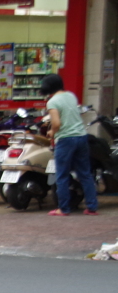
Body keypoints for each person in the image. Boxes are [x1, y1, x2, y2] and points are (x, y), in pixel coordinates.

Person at [41, 74, 98, 216]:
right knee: (85, 174)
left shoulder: (52, 102)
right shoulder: (71, 96)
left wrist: (51, 133)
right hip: (81, 136)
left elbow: (56, 123)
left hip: (66, 139)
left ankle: (63, 208)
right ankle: (92, 207)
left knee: (62, 175)